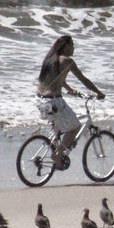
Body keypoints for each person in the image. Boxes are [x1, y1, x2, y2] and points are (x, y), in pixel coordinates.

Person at [36, 35, 105, 166]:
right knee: (75, 128)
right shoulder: (67, 61)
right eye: (72, 44)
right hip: (53, 101)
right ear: (66, 46)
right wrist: (99, 93)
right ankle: (57, 154)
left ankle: (56, 147)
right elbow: (84, 79)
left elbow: (55, 79)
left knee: (58, 128)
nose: (74, 47)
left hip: (40, 100)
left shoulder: (49, 59)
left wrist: (69, 89)